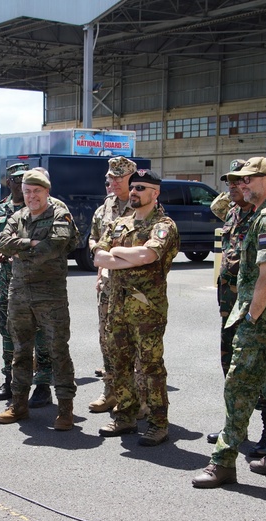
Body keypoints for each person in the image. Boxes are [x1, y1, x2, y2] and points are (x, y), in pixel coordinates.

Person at [192, 157, 266, 488]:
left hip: (263, 321)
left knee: (238, 386)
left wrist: (252, 317)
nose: (243, 185)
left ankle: (223, 462)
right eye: (240, 181)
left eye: (250, 179)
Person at [92, 169, 180, 446]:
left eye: (141, 188)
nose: (134, 192)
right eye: (133, 187)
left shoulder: (163, 225)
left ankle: (157, 423)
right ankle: (125, 417)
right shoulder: (120, 222)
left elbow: (148, 254)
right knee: (119, 364)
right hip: (117, 307)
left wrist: (116, 254)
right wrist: (123, 257)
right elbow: (98, 256)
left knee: (151, 368)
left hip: (147, 310)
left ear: (155, 193)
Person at [0, 169, 79, 430]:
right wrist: (30, 243)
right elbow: (2, 242)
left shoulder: (59, 214)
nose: (31, 196)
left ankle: (65, 410)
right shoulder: (18, 215)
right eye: (28, 191)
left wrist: (23, 249)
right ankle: (18, 404)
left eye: (37, 191)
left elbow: (54, 248)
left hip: (50, 294)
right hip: (19, 293)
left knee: (57, 351)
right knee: (20, 351)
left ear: (47, 191)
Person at [205, 160, 266, 457]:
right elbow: (215, 207)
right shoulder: (232, 211)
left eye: (239, 182)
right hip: (228, 306)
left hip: (252, 305)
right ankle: (235, 425)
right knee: (230, 367)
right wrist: (234, 193)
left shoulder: (265, 217)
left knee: (261, 371)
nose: (232, 188)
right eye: (229, 183)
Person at [0, 162, 55, 409]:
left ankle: (43, 385)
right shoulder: (1, 210)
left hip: (36, 280)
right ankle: (10, 380)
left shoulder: (46, 209)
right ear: (9, 182)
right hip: (8, 280)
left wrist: (16, 247)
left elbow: (49, 245)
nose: (19, 184)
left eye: (23, 180)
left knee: (40, 333)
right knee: (6, 328)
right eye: (15, 180)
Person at [87, 156, 137, 413]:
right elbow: (94, 237)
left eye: (120, 177)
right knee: (107, 339)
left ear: (132, 178)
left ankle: (137, 396)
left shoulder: (144, 203)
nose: (114, 182)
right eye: (111, 177)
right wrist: (100, 264)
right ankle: (111, 391)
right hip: (108, 284)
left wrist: (113, 253)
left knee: (135, 341)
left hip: (135, 286)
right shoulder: (106, 206)